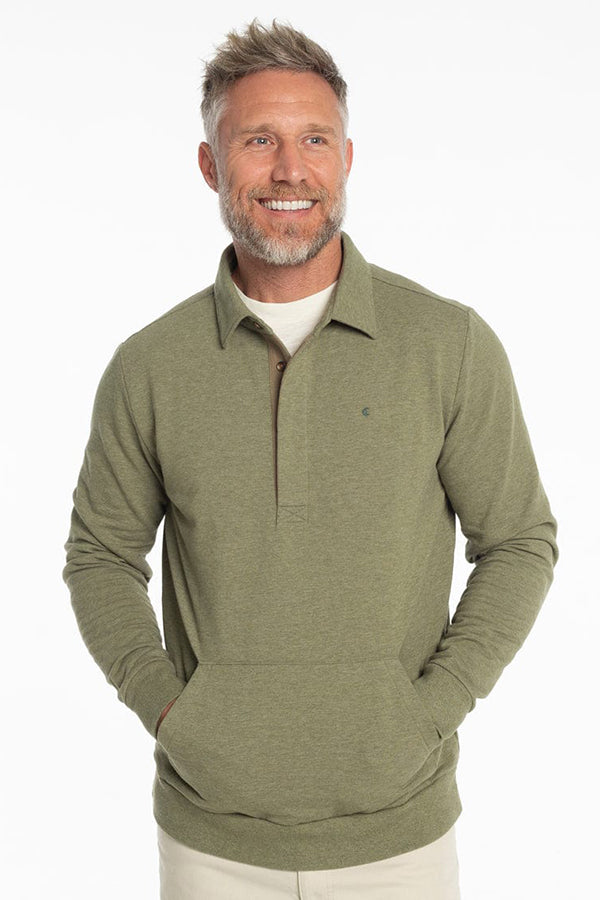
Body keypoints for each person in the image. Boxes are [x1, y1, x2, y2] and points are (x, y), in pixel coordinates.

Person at [62, 19, 559, 900]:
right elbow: (101, 557)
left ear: (347, 159)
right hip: (210, 841)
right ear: (211, 164)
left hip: (400, 837)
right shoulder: (150, 366)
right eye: (259, 140)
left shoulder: (447, 344)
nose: (290, 170)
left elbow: (519, 542)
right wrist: (172, 713)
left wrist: (428, 712)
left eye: (315, 140)